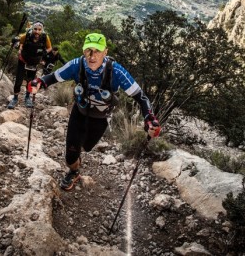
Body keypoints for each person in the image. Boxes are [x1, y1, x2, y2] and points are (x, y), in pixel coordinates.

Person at [30, 32, 160, 191]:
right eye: (88, 50)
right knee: (71, 154)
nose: (92, 56)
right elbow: (52, 77)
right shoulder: (76, 65)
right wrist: (39, 82)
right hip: (79, 112)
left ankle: (79, 152)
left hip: (101, 117)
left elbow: (141, 97)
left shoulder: (116, 72)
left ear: (105, 52)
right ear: (83, 50)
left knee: (87, 147)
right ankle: (74, 171)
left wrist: (149, 118)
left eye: (97, 51)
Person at [7, 21, 52, 109]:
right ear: (32, 29)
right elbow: (18, 40)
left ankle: (27, 97)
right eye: (35, 29)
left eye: (39, 29)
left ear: (42, 30)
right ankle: (15, 98)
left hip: (34, 62)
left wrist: (44, 52)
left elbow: (49, 47)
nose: (37, 31)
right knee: (18, 80)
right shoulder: (26, 36)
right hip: (23, 60)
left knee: (30, 81)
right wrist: (15, 41)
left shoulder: (45, 37)